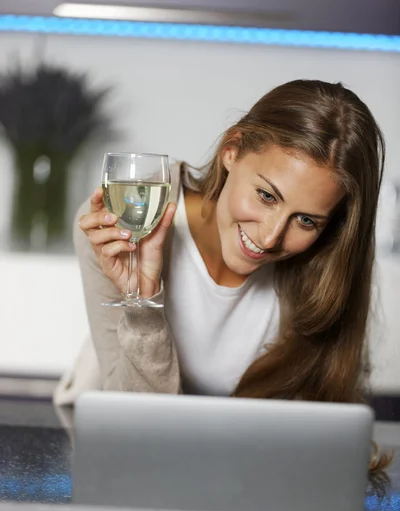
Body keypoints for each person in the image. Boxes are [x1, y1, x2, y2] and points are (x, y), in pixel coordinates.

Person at [75, 79, 391, 472]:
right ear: (232, 152)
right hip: (136, 468)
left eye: (306, 220)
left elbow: (320, 447)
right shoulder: (124, 223)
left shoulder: (325, 266)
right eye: (267, 196)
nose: (271, 236)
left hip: (248, 476)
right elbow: (130, 427)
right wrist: (144, 301)